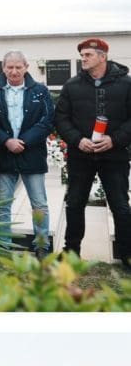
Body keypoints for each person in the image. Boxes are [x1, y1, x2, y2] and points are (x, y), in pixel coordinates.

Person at [54, 38, 131, 265]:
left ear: (102, 56)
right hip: (81, 156)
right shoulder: (72, 85)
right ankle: (71, 252)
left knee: (120, 205)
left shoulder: (126, 84)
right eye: (82, 55)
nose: (83, 59)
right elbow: (61, 118)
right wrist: (78, 140)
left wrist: (114, 140)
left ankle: (127, 254)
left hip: (114, 156)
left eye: (88, 55)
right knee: (75, 203)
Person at [0, 51, 54, 257]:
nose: (14, 71)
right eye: (10, 67)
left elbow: (48, 121)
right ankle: (3, 246)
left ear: (26, 67)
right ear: (3, 68)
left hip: (31, 154)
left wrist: (24, 141)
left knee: (39, 204)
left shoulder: (40, 91)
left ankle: (41, 245)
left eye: (18, 67)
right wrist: (6, 141)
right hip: (4, 154)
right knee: (3, 205)